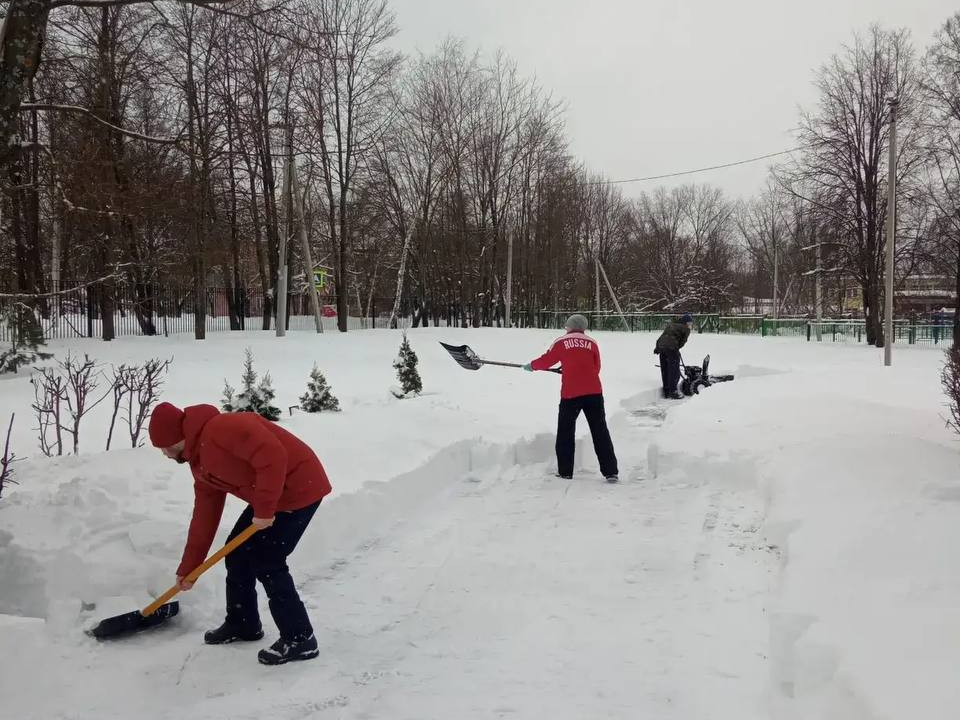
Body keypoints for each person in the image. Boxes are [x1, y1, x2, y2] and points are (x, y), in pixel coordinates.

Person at [148, 401, 332, 666]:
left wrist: (266, 509)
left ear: (175, 438)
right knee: (237, 554)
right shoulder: (199, 464)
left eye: (163, 447)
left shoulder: (224, 428)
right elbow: (204, 516)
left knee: (268, 561)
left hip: (299, 488)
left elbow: (272, 455)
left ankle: (300, 638)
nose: (164, 454)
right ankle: (243, 623)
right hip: (270, 497)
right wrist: (190, 567)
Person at [522, 314, 619, 482]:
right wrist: (573, 369)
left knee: (565, 432)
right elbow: (596, 367)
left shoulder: (562, 341)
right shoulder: (592, 343)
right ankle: (611, 471)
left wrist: (532, 365)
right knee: (600, 431)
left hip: (571, 394)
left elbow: (547, 360)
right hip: (594, 392)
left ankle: (565, 471)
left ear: (570, 326)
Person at [654, 312, 693, 399]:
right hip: (671, 348)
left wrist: (657, 348)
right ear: (685, 322)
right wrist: (675, 349)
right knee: (674, 370)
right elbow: (682, 342)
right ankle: (673, 391)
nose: (690, 325)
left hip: (661, 347)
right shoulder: (686, 329)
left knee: (665, 369)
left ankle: (666, 391)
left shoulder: (671, 325)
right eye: (689, 323)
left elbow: (662, 337)